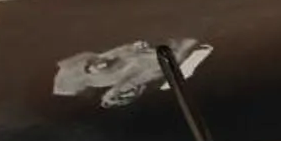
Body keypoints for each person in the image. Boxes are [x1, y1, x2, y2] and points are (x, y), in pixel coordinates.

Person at [51, 35, 213, 108]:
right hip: (161, 63)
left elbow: (108, 56)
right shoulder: (104, 84)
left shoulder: (96, 68)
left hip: (155, 58)